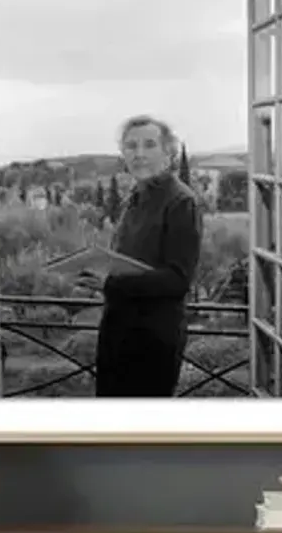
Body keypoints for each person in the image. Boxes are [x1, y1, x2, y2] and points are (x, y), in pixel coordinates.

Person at [79, 115, 203, 397]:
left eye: (149, 145)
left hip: (153, 339)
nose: (139, 154)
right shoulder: (135, 197)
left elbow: (178, 280)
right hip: (117, 329)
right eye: (131, 146)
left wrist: (109, 284)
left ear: (168, 153)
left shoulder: (181, 202)